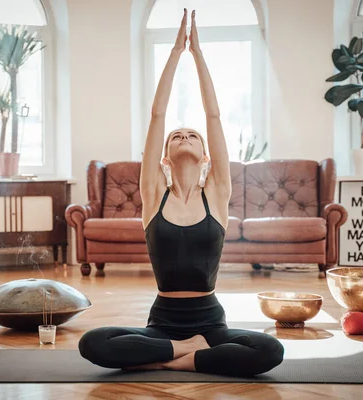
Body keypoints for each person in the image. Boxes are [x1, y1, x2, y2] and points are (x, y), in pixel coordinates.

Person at [78, 9, 284, 378]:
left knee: (270, 349)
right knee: (92, 342)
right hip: (163, 324)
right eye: (177, 136)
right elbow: (157, 116)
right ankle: (186, 352)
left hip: (211, 322)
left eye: (191, 135)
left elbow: (215, 116)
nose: (183, 136)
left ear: (205, 155)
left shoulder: (217, 194)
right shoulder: (154, 193)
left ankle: (168, 361)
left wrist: (198, 55)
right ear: (164, 158)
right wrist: (175, 53)